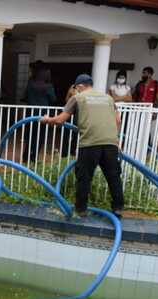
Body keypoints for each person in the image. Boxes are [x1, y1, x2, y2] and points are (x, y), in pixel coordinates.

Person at [42, 74, 124, 218]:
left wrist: (47, 120)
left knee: (84, 177)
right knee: (113, 176)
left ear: (80, 86)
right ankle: (118, 208)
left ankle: (81, 210)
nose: (76, 90)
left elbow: (61, 120)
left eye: (76, 88)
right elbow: (118, 119)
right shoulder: (108, 98)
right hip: (110, 142)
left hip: (90, 143)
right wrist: (116, 139)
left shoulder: (78, 98)